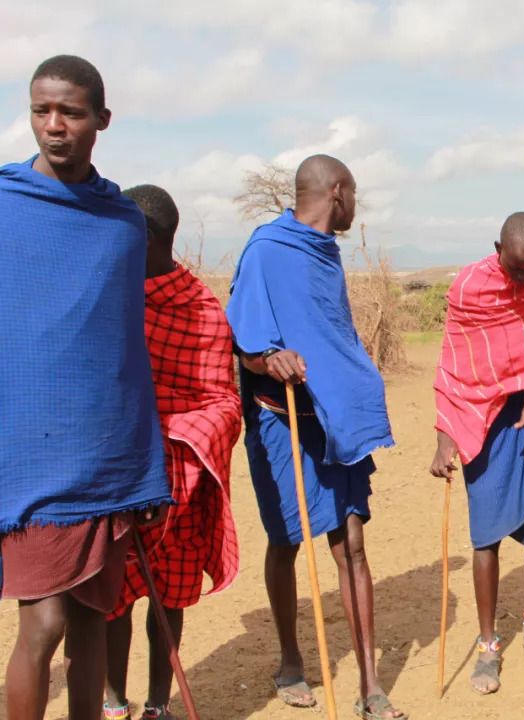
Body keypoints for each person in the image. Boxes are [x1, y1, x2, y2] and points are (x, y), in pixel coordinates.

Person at [0, 56, 171, 720]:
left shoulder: (122, 226)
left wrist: (144, 471)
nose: (54, 126)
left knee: (95, 622)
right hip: (30, 460)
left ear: (101, 119)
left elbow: (123, 353)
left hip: (105, 457)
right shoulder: (7, 207)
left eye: (70, 111)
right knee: (41, 627)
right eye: (41, 110)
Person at [226, 155, 405, 719]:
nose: (355, 205)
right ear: (337, 191)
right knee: (286, 542)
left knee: (351, 543)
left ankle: (371, 685)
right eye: (353, 195)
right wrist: (270, 358)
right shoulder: (267, 250)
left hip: (335, 419)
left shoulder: (325, 254)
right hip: (282, 419)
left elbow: (330, 333)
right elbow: (245, 343)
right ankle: (289, 660)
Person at [103, 185, 242, 720]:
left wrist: (173, 448)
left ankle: (158, 704)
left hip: (181, 481)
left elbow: (222, 401)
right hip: (117, 476)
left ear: (152, 240)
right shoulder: (107, 297)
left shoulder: (201, 308)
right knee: (114, 597)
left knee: (172, 594)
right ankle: (114, 701)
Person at [429, 212, 524, 695]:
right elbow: (456, 360)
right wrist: (446, 434)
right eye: (516, 269)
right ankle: (489, 644)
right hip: (482, 422)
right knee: (485, 535)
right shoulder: (470, 288)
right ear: (498, 248)